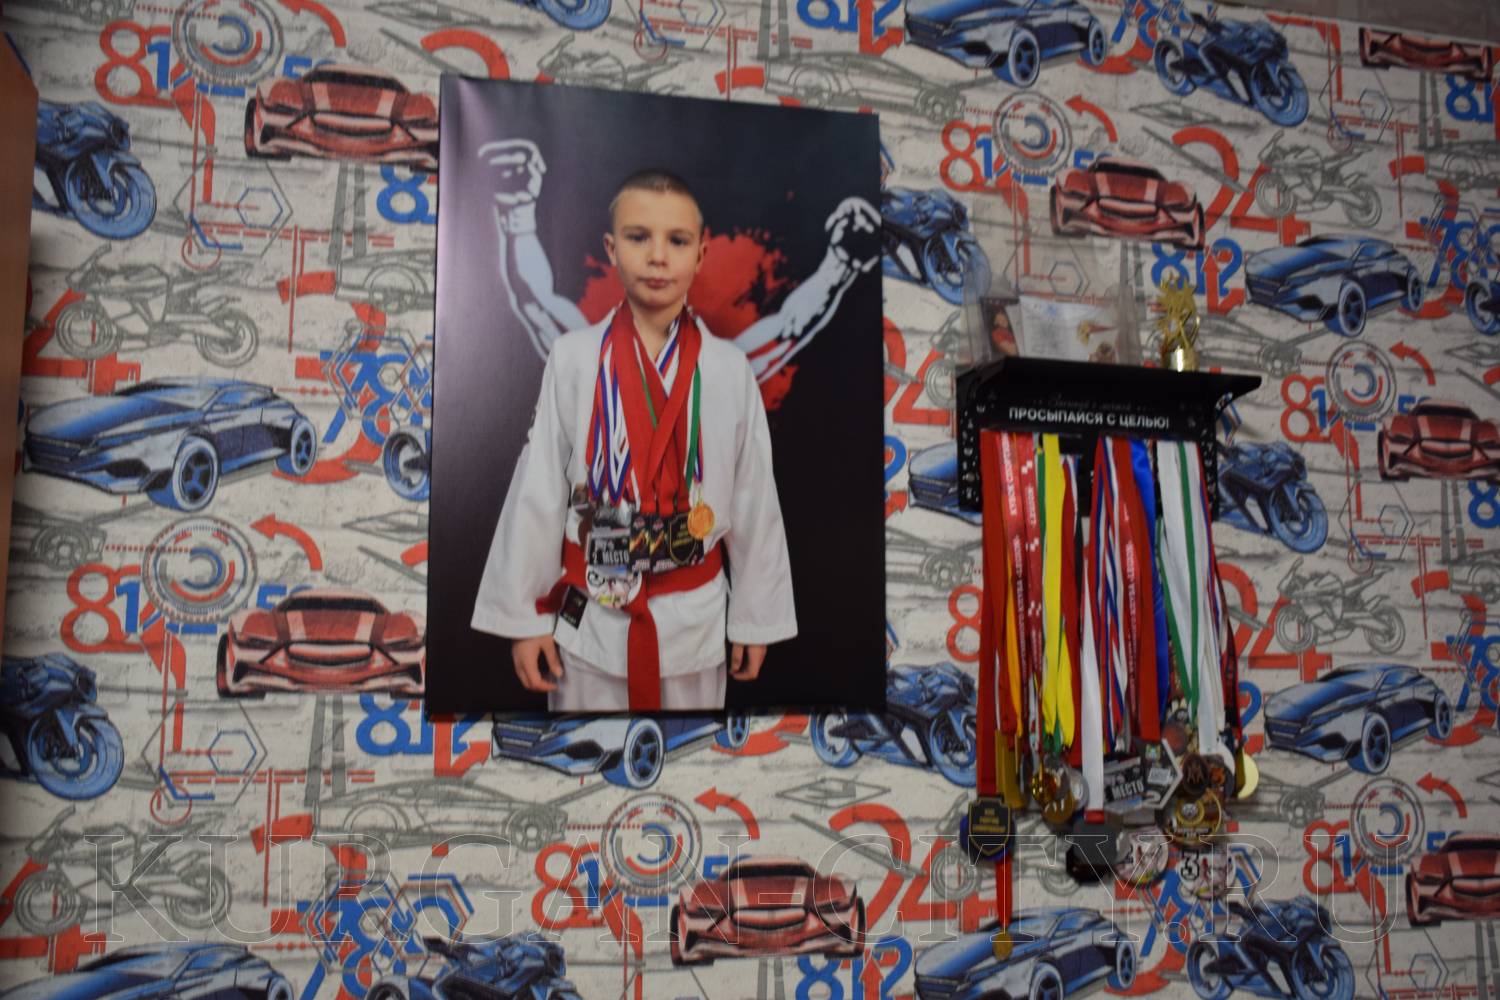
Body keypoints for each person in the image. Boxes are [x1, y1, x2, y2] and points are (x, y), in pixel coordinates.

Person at [471, 170, 797, 712]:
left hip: (693, 618)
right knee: (583, 750)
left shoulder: (728, 368)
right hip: (590, 615)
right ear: (612, 249)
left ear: (702, 253)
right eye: (638, 237)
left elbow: (754, 497)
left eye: (677, 241)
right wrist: (526, 619)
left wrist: (754, 618)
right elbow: (540, 486)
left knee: (690, 754)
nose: (657, 257)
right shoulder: (574, 358)